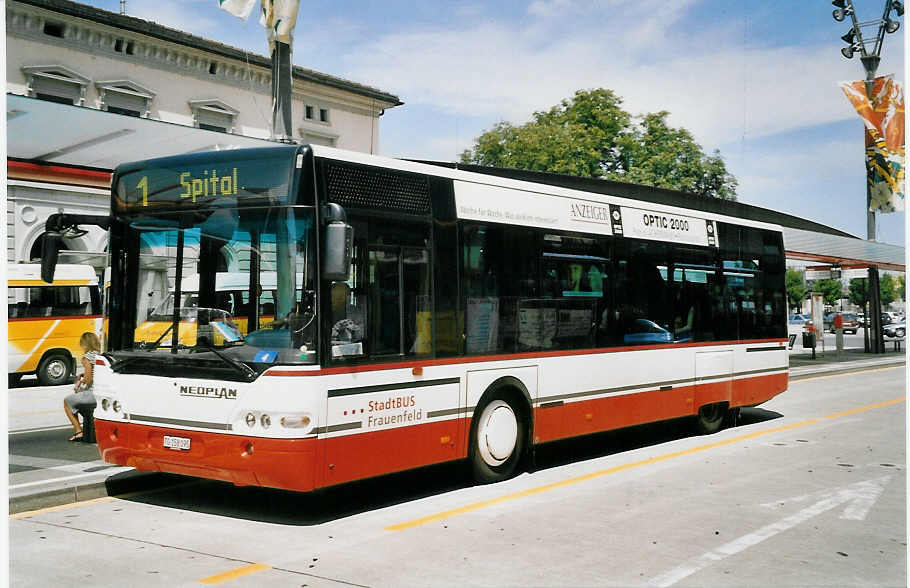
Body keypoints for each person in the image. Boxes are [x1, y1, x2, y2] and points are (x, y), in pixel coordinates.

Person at [64, 332, 100, 442]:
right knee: (78, 400)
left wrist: (79, 387)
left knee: (67, 402)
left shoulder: (87, 358)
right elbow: (94, 373)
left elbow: (89, 380)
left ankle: (78, 431)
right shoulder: (99, 355)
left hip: (93, 394)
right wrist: (84, 376)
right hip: (101, 392)